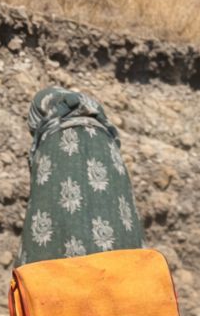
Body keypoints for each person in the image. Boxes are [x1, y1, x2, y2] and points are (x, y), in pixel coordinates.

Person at [18, 87, 143, 265]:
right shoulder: (107, 142)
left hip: (70, 280)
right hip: (124, 278)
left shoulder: (52, 142)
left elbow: (45, 223)